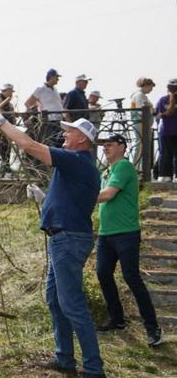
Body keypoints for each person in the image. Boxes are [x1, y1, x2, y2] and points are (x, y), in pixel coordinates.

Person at [0, 107, 106, 377]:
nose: (63, 134)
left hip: (68, 240)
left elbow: (28, 144)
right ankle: (65, 359)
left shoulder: (76, 159)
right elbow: (73, 201)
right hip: (65, 238)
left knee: (72, 304)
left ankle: (94, 369)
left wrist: (1, 121)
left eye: (69, 131)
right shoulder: (81, 166)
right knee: (55, 300)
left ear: (82, 139)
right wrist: (44, 199)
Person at [94, 133, 163, 347]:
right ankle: (117, 319)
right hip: (106, 233)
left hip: (126, 233)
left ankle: (152, 328)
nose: (105, 148)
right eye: (103, 145)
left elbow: (107, 195)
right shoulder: (106, 170)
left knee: (131, 277)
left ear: (123, 147)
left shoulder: (123, 166)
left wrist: (77, 196)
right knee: (103, 274)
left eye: (110, 145)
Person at [26, 68, 65, 148]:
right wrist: (31, 116)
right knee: (51, 143)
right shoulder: (41, 89)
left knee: (59, 143)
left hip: (58, 121)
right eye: (56, 77)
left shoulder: (55, 90)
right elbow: (28, 103)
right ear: (51, 77)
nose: (58, 79)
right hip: (48, 122)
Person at [154, 79, 177, 182]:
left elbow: (157, 115)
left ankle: (164, 175)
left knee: (165, 154)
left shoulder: (162, 100)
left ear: (168, 89)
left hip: (166, 131)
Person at [130, 77, 155, 167]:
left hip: (141, 123)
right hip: (140, 123)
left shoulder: (141, 95)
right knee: (139, 144)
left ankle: (138, 166)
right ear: (146, 86)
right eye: (151, 87)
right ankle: (135, 166)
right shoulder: (139, 96)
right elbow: (141, 111)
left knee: (141, 145)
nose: (151, 90)